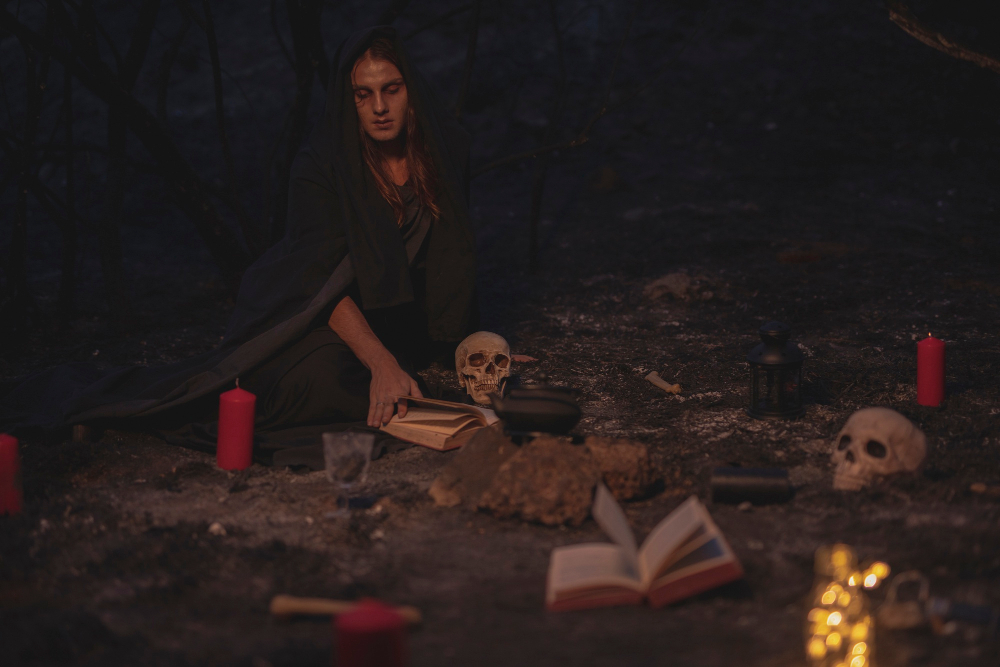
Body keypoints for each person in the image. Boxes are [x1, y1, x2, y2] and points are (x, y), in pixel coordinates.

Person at [0, 26, 478, 461]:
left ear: (410, 91)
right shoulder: (322, 166)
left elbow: (450, 260)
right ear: (347, 101)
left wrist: (473, 340)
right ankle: (121, 413)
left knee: (387, 385)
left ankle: (379, 375)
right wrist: (379, 361)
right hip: (306, 315)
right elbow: (316, 283)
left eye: (390, 90)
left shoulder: (442, 153)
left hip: (384, 325)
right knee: (313, 381)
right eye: (363, 94)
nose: (378, 107)